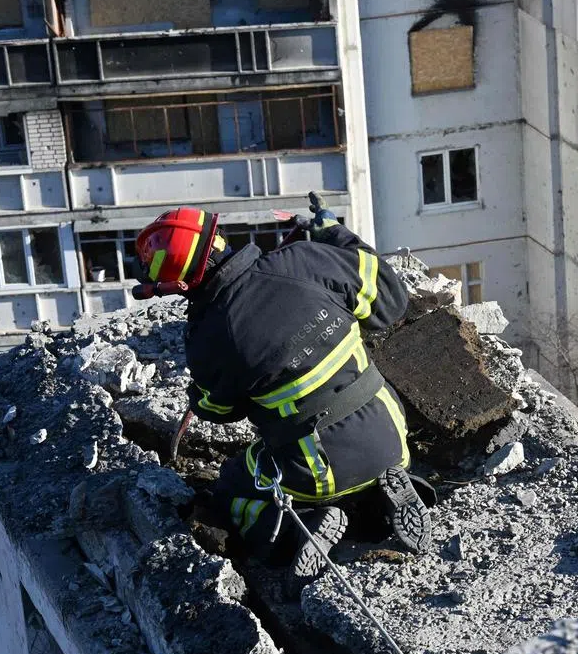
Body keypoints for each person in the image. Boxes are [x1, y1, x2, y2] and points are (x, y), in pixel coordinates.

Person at [133, 194, 432, 590]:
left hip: (319, 470)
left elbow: (219, 410)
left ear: (177, 285)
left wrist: (199, 391)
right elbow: (391, 299)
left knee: (231, 487)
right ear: (217, 236)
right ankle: (381, 494)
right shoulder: (305, 261)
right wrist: (334, 235)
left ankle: (297, 530)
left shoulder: (208, 340)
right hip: (392, 431)